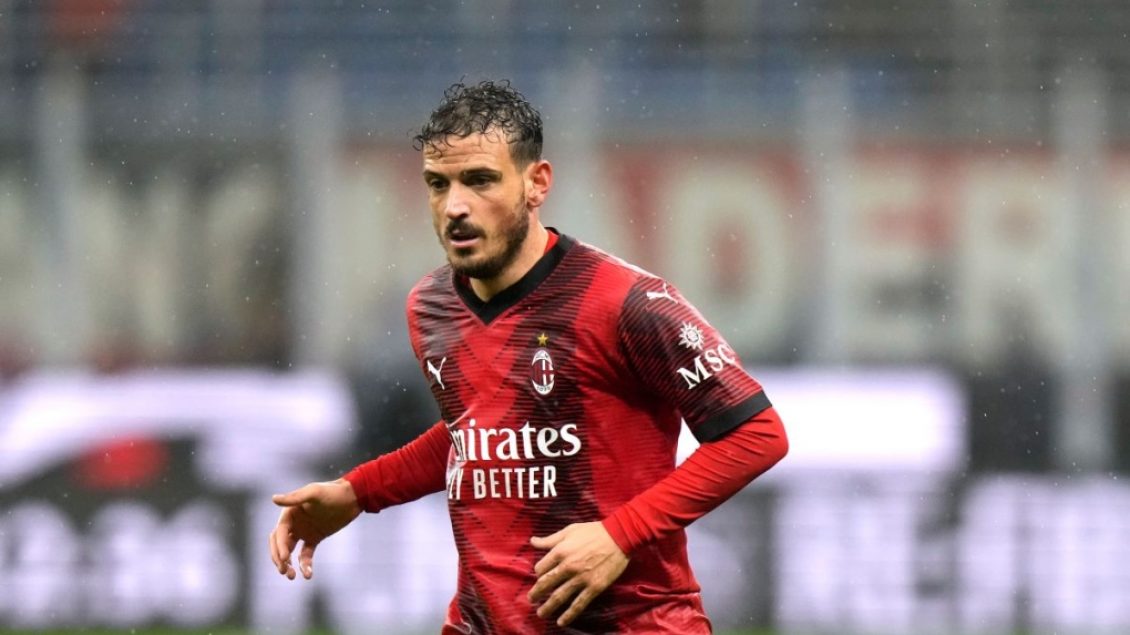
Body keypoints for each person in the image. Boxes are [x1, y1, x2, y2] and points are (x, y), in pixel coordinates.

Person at [268, 80, 789, 634]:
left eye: (480, 180)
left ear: (536, 183)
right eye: (438, 184)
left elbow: (757, 435)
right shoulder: (431, 308)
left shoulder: (626, 302)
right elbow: (476, 432)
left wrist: (620, 535)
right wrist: (357, 492)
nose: (455, 206)